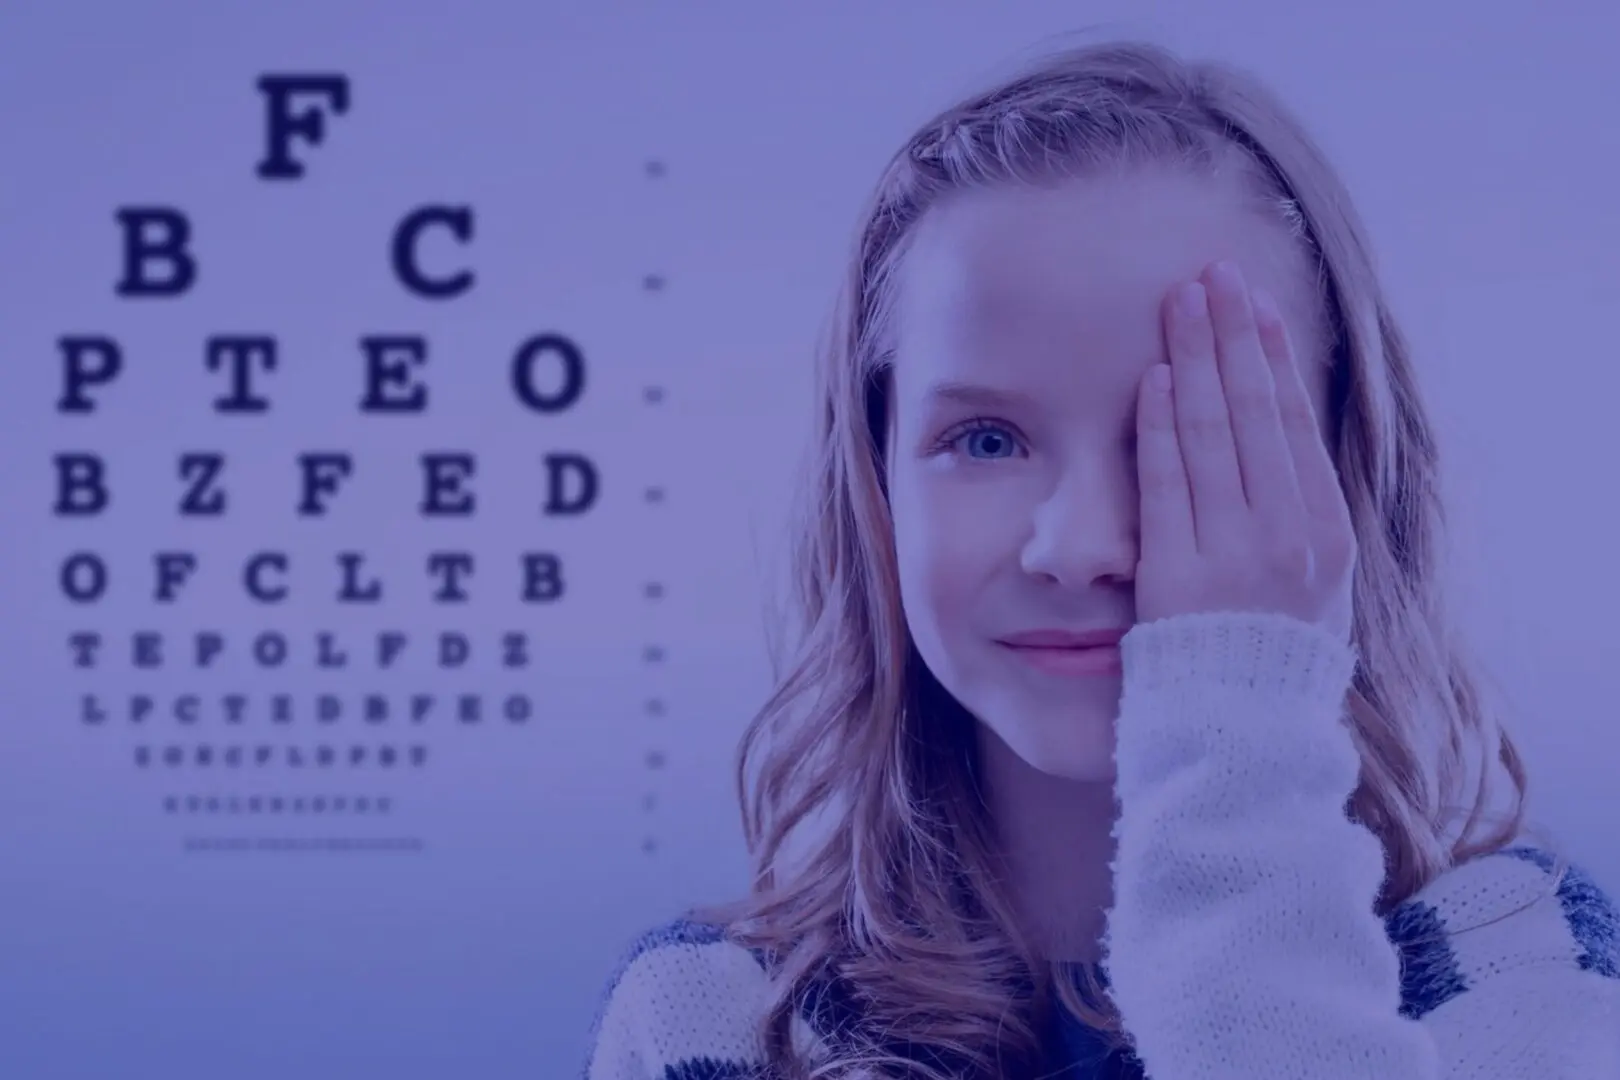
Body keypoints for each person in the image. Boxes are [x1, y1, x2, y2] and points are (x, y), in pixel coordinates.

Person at [583, 38, 1619, 1080]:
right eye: (986, 440)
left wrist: (1238, 706)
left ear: (1343, 468)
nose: (1078, 548)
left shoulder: (1516, 964)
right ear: (876, 482)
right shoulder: (709, 1022)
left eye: (1185, 438)